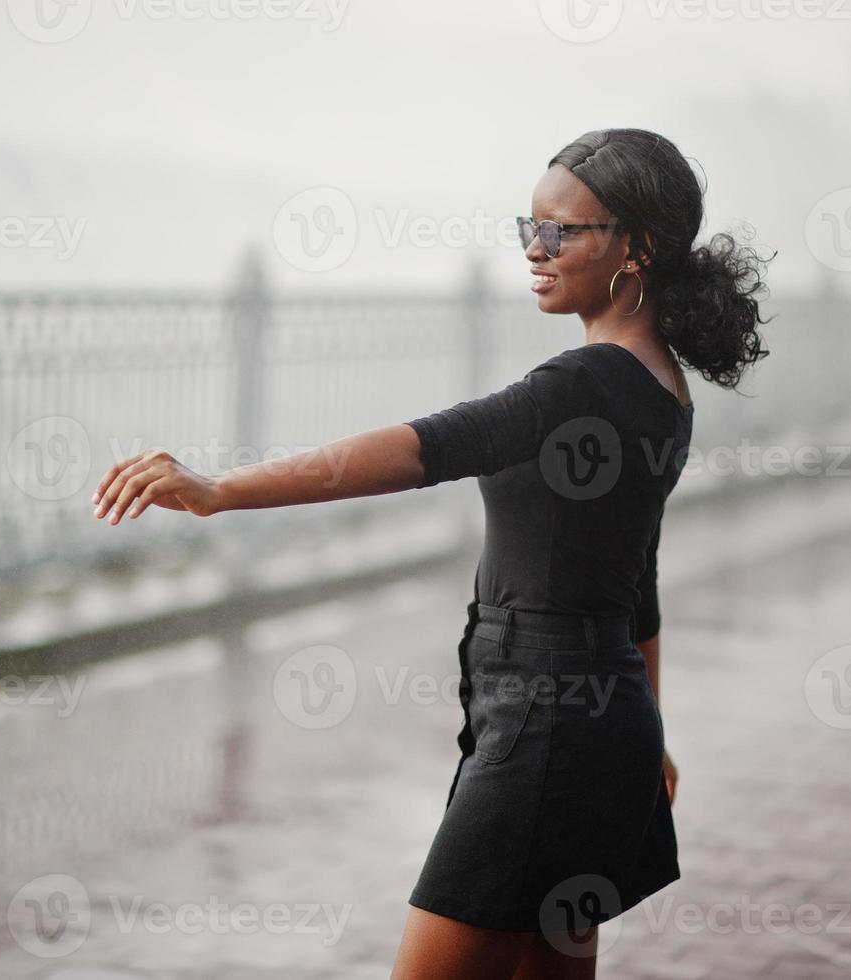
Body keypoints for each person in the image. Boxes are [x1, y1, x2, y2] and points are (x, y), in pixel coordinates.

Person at [91, 128, 770, 979]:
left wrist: (223, 489)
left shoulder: (582, 385)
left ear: (634, 247)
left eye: (562, 231)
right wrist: (649, 737)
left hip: (548, 728)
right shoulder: (660, 386)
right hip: (595, 727)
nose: (535, 247)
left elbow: (425, 448)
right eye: (528, 225)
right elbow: (636, 587)